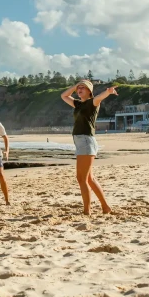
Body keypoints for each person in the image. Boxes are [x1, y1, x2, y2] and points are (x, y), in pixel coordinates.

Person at [60, 80, 117, 215]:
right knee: (89, 179)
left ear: (89, 91)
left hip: (86, 141)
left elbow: (99, 97)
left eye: (83, 88)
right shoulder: (78, 104)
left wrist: (108, 92)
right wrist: (74, 87)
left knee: (82, 179)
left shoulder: (92, 103)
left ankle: (87, 211)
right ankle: (105, 207)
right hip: (80, 142)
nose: (80, 90)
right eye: (78, 88)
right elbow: (63, 96)